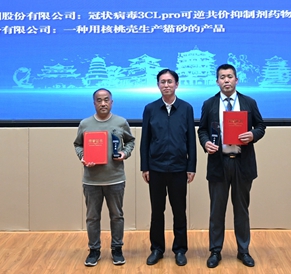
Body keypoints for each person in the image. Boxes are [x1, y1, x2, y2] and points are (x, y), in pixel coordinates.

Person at [198, 63, 266, 268]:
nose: (226, 80)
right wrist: (205, 143)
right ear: (217, 81)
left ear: (237, 80)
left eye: (229, 76)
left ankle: (243, 250)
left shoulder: (249, 102)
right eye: (222, 77)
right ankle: (215, 251)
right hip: (218, 163)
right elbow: (202, 130)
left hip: (242, 164)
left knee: (242, 210)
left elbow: (261, 126)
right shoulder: (209, 104)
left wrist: (252, 135)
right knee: (216, 211)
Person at [140, 69, 197, 266]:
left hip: (179, 168)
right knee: (157, 212)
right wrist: (145, 166)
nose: (166, 85)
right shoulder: (150, 108)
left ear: (176, 84)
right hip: (156, 168)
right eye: (162, 82)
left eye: (170, 81)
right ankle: (157, 249)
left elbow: (191, 140)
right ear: (158, 85)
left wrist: (191, 166)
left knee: (179, 211)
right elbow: (145, 140)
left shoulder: (186, 108)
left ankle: (180, 249)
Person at [73, 88, 135, 267]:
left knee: (117, 216)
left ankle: (117, 249)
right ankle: (94, 250)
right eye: (99, 100)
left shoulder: (121, 122)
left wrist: (125, 153)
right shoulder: (85, 124)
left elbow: (130, 141)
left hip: (115, 178)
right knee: (92, 218)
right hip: (91, 180)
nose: (103, 103)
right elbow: (78, 145)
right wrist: (83, 156)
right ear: (94, 103)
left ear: (112, 102)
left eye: (106, 100)